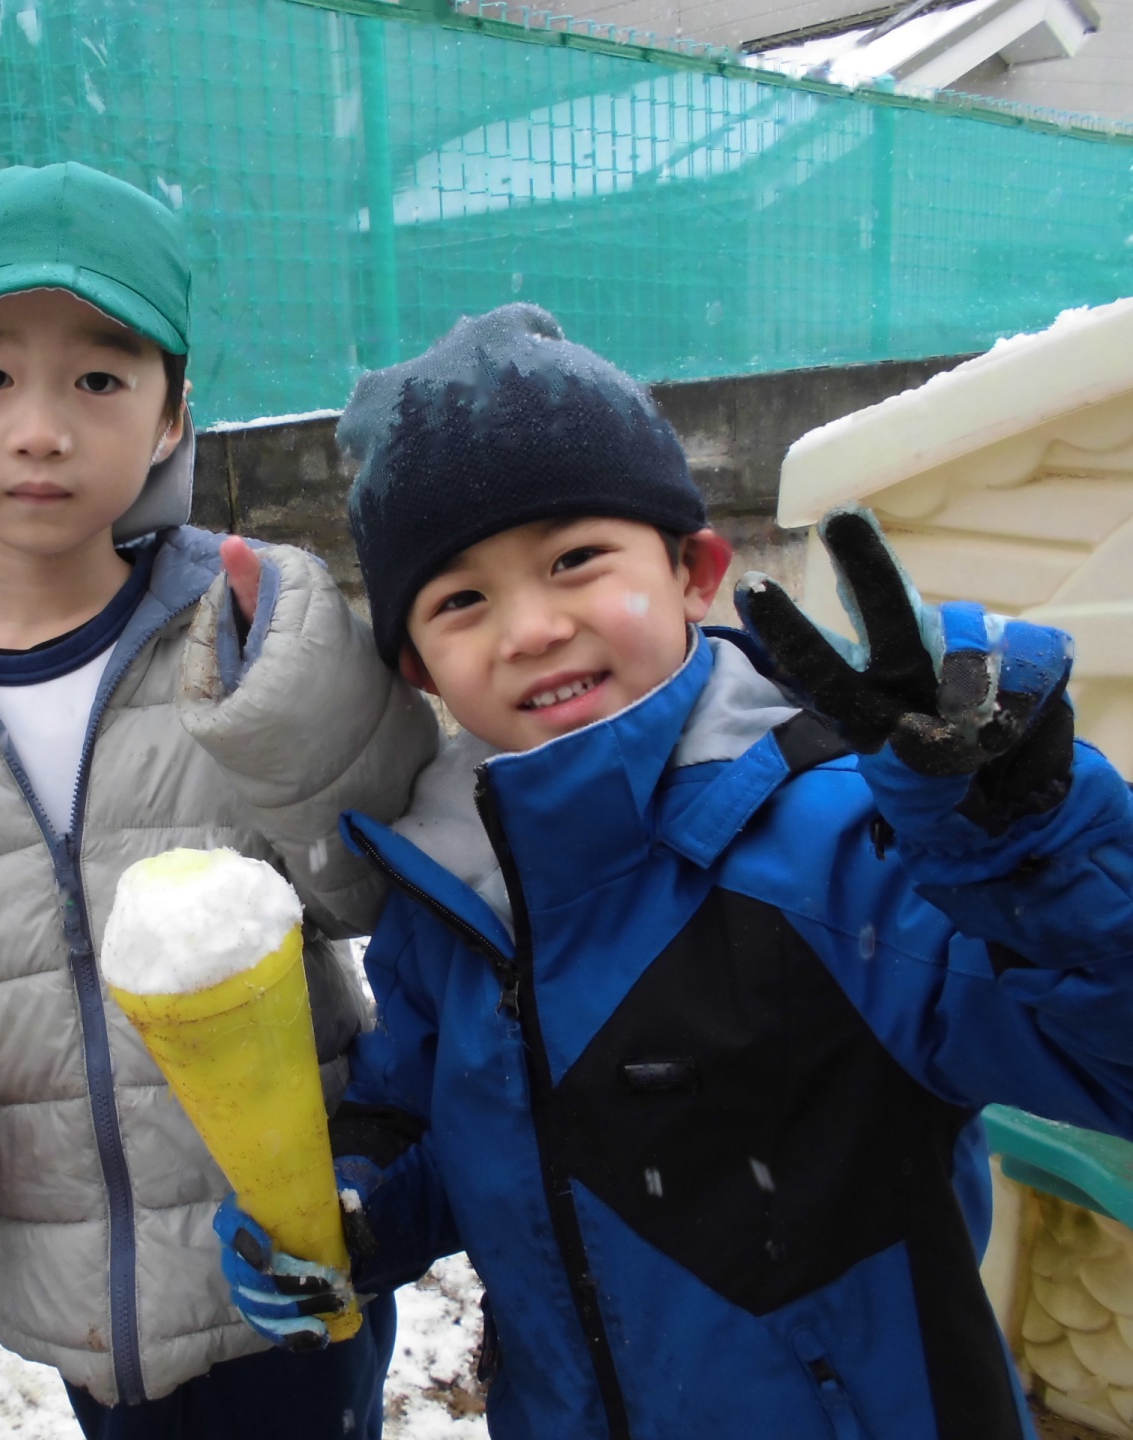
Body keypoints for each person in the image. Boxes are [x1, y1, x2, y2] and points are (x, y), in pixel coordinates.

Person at [213, 303, 1133, 1439]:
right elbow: (444, 1128)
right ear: (420, 667)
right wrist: (349, 1211)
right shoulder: (449, 891)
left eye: (574, 560)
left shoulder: (839, 845)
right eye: (462, 601)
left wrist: (1030, 841)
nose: (530, 628)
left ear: (697, 570)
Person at [0, 161, 440, 1439]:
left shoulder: (250, 626)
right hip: (71, 1281)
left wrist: (291, 704)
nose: (41, 429)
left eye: (99, 379)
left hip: (283, 1240)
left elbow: (373, 882)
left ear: (172, 414)